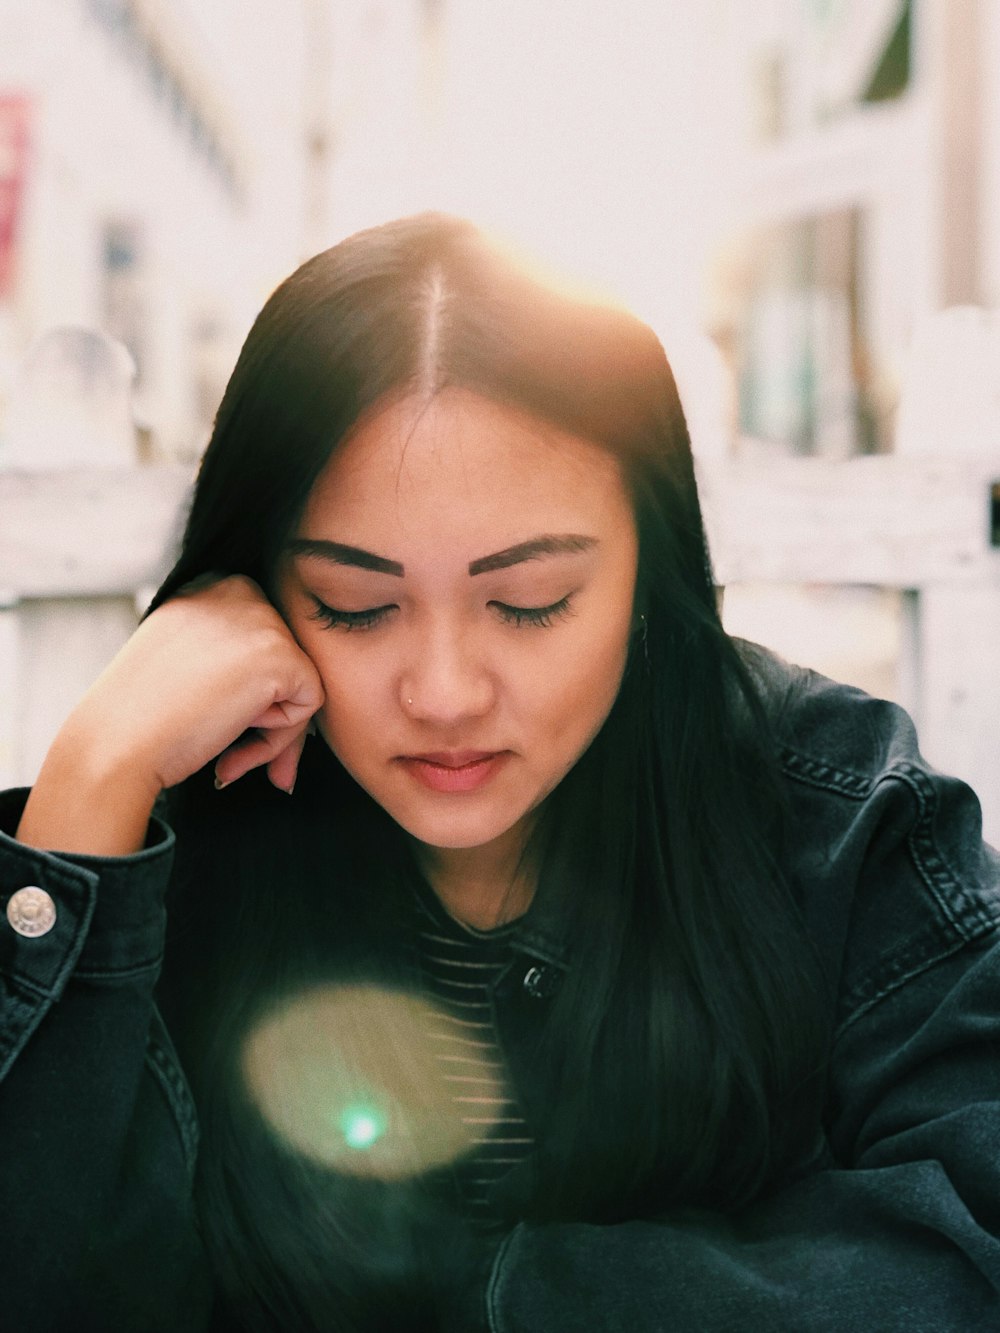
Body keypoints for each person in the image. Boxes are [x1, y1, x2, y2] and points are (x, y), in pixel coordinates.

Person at [2, 212, 999, 1333]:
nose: (443, 692)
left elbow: (970, 1262)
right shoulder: (173, 847)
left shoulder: (844, 821)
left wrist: (489, 1296)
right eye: (356, 605)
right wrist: (90, 782)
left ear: (644, 572)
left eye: (529, 603)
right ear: (260, 588)